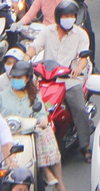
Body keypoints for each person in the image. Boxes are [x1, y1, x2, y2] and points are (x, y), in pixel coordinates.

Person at [26, 0, 93, 161]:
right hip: (48, 77)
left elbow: (84, 57)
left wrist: (78, 68)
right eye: (65, 16)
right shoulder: (47, 31)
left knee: (78, 107)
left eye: (71, 16)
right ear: (58, 17)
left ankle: (85, 146)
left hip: (70, 77)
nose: (68, 19)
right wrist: (27, 56)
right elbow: (35, 46)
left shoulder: (80, 34)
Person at [1, 62, 66, 190]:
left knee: (46, 132)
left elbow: (41, 112)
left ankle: (55, 179)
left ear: (27, 78)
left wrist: (42, 120)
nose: (15, 80)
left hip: (29, 132)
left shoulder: (34, 95)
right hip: (9, 135)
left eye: (19, 77)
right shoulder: (2, 96)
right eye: (13, 77)